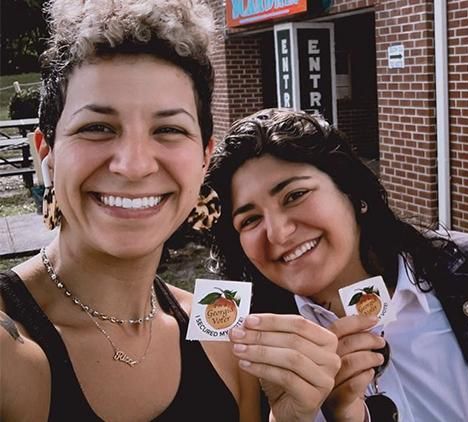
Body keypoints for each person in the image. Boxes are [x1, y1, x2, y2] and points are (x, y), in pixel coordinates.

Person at [0, 1, 340, 421]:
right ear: (47, 152)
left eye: (168, 130)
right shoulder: (10, 346)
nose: (134, 165)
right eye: (97, 127)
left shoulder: (221, 339)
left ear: (203, 158)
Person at [204, 108, 468, 422]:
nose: (278, 233)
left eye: (295, 195)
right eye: (249, 220)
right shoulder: (248, 357)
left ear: (353, 194)